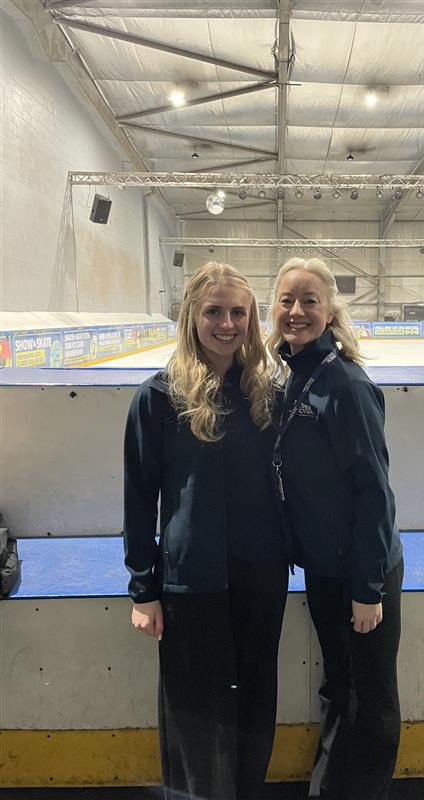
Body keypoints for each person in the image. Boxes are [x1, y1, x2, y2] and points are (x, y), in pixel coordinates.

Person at [123, 262, 288, 800]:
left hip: (260, 575)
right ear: (191, 316)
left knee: (254, 702)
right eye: (214, 311)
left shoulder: (265, 393)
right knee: (195, 712)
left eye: (239, 312)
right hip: (191, 581)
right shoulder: (158, 397)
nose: (227, 323)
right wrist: (144, 588)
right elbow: (139, 497)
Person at [267, 258, 403, 800]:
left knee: (368, 697)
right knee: (339, 689)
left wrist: (368, 589)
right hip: (325, 568)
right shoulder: (293, 373)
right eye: (286, 301)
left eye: (309, 301)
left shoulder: (344, 384)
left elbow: (374, 493)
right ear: (272, 308)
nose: (296, 312)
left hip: (360, 571)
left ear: (329, 311)